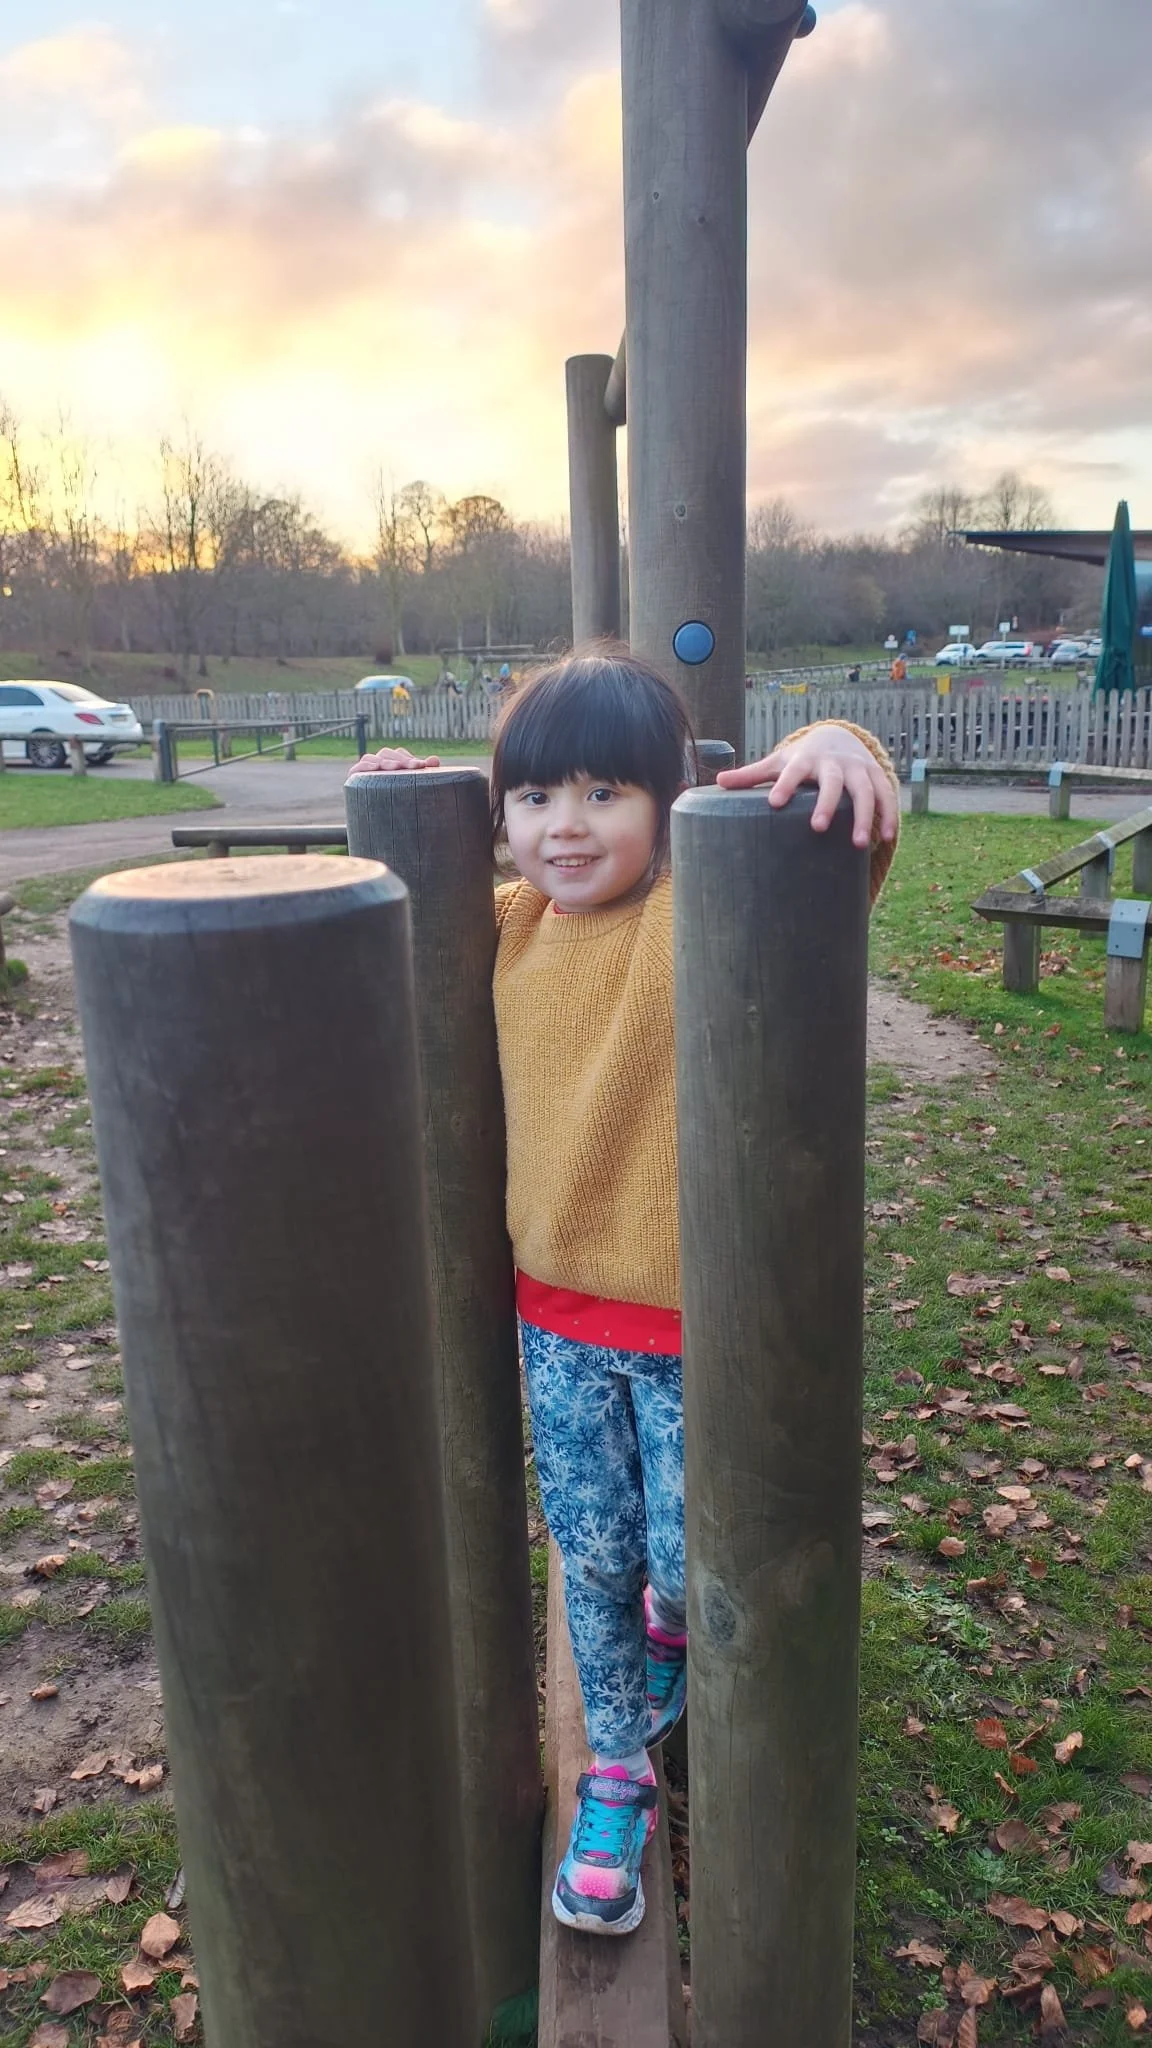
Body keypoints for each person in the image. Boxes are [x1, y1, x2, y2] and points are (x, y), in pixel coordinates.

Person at [348, 651, 899, 1939]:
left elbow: (839, 859)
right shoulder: (508, 928)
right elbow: (401, 909)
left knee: (700, 1561)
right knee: (589, 1553)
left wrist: (841, 748)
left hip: (692, 1330)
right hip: (556, 1324)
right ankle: (615, 1771)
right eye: (534, 798)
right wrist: (396, 799)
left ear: (667, 799)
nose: (568, 826)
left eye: (604, 792)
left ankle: (669, 1631)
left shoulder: (693, 909)